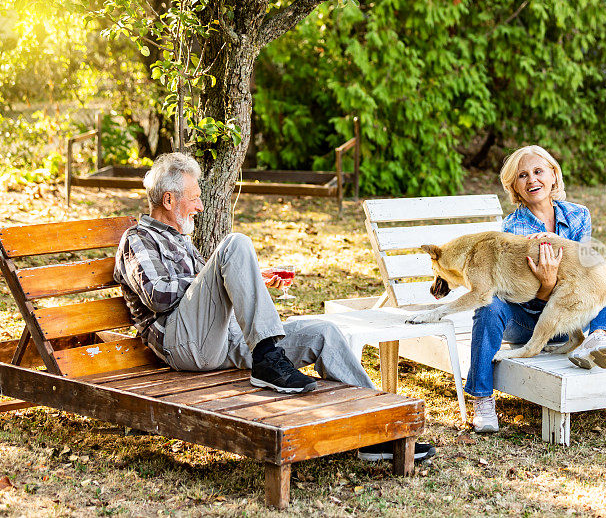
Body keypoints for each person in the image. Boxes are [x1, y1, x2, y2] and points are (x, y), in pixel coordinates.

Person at [113, 152, 435, 461]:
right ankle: (267, 358)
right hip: (182, 345)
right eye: (194, 197)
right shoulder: (137, 238)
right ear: (169, 200)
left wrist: (245, 278)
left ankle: (381, 433)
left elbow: (206, 294)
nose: (199, 205)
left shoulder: (180, 238)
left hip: (220, 340)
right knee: (235, 243)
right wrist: (225, 275)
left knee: (323, 332)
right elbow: (158, 294)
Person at [466, 145, 606, 433]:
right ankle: (482, 399)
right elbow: (526, 296)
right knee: (489, 307)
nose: (532, 180)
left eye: (539, 171)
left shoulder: (579, 215)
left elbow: (591, 269)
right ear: (515, 187)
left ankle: (600, 337)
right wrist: (548, 282)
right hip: (527, 318)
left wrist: (560, 251)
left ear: (554, 176)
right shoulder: (512, 229)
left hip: (569, 313)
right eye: (523, 176)